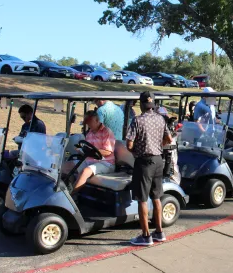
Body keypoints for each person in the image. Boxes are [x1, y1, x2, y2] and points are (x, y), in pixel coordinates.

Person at [126, 92, 172, 246]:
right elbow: (169, 139)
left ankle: (146, 235)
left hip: (144, 162)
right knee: (157, 197)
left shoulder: (137, 120)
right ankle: (159, 232)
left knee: (142, 199)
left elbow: (129, 144)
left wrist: (135, 152)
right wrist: (159, 145)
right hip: (159, 160)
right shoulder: (160, 118)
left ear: (141, 104)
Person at [71, 111, 116, 194]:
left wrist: (92, 151)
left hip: (105, 163)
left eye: (90, 122)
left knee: (85, 171)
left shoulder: (106, 132)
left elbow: (107, 152)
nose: (88, 125)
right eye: (87, 123)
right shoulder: (90, 133)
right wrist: (81, 150)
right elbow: (88, 150)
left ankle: (70, 197)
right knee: (67, 166)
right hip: (90, 161)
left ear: (97, 120)